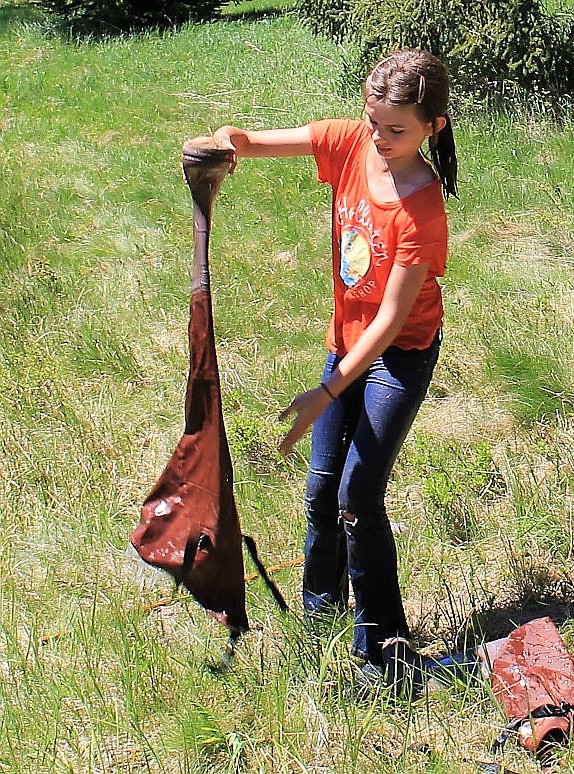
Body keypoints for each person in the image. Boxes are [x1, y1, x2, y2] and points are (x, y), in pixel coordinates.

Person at [212, 48, 458, 697]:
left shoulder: (421, 206)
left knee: (356, 498)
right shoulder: (351, 143)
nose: (378, 139)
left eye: (395, 130)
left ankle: (383, 652)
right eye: (372, 122)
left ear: (433, 126)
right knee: (321, 493)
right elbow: (255, 142)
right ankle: (318, 631)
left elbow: (389, 321)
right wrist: (223, 145)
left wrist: (327, 391)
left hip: (395, 358)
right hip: (345, 343)